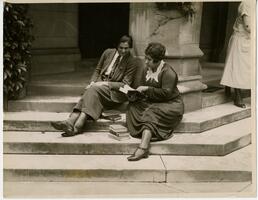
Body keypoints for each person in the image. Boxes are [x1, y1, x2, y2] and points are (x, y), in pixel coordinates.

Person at [51, 35, 138, 137]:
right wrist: (92, 82)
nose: (123, 51)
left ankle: (71, 121)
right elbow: (98, 70)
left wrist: (104, 84)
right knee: (92, 91)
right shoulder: (107, 53)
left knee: (93, 90)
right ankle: (75, 127)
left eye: (126, 48)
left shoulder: (132, 62)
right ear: (116, 47)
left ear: (130, 48)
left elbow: (124, 84)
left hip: (115, 92)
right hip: (99, 87)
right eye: (121, 48)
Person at [126, 42, 184, 161]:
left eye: (149, 59)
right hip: (153, 101)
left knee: (151, 112)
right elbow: (141, 87)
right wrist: (135, 94)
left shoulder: (168, 73)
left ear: (157, 60)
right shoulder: (146, 69)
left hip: (171, 104)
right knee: (133, 106)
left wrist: (147, 89)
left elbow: (166, 94)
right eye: (146, 58)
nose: (146, 62)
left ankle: (143, 147)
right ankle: (145, 130)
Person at [220, 1, 251, 108]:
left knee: (249, 69)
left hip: (250, 40)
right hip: (240, 39)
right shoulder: (246, 3)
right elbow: (248, 26)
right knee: (237, 68)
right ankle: (237, 96)